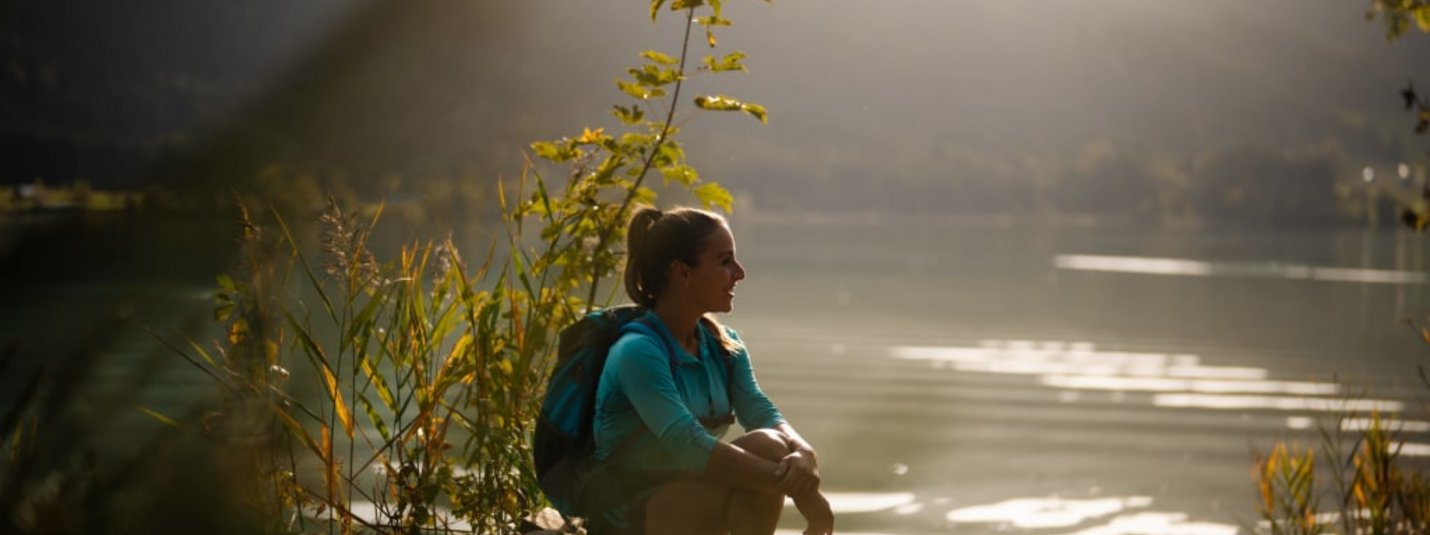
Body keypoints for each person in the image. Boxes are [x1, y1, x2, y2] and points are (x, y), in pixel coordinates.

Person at [586, 206, 834, 535]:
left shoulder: (724, 346)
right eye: (724, 261)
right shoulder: (638, 352)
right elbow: (687, 446)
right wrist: (803, 491)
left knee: (772, 445)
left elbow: (761, 412)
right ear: (682, 273)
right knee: (766, 458)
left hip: (686, 495)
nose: (740, 272)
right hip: (627, 516)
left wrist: (804, 454)